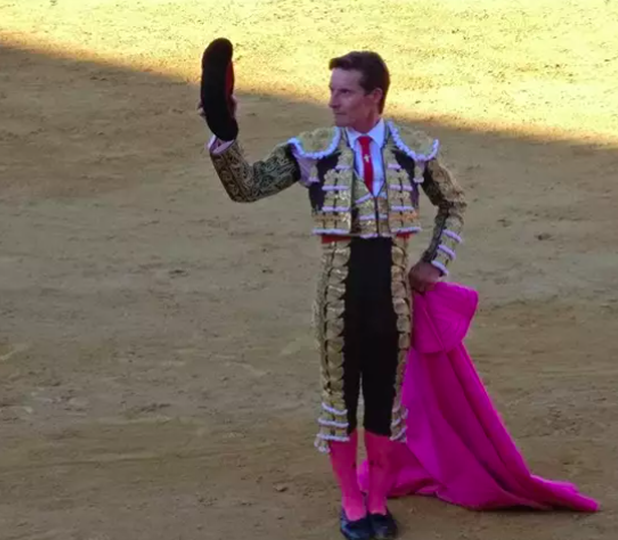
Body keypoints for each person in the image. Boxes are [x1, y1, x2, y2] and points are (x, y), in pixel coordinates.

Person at [199, 38, 466, 540]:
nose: (331, 101)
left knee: (385, 400)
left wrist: (436, 262)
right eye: (331, 90)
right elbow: (247, 187)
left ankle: (379, 502)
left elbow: (453, 204)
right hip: (336, 296)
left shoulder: (413, 149)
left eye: (343, 92)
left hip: (392, 298)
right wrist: (224, 133)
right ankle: (352, 503)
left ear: (375, 97)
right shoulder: (312, 149)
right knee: (340, 400)